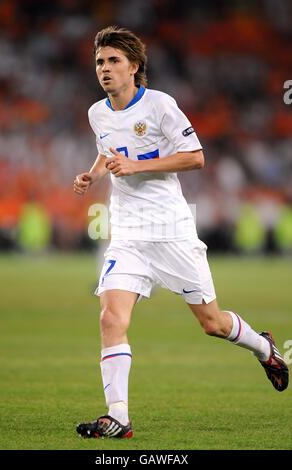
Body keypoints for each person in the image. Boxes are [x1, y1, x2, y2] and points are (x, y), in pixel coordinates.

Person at [73, 26, 289, 439]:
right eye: (100, 61)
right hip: (129, 231)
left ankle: (265, 349)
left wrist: (136, 167)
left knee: (212, 323)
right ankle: (117, 417)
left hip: (170, 229)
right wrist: (93, 174)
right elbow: (108, 150)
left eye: (114, 61)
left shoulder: (160, 106)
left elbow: (196, 157)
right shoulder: (96, 112)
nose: (105, 68)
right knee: (110, 318)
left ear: (134, 66)